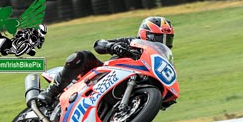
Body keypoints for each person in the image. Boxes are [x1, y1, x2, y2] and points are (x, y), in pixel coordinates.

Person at [38, 16, 175, 106]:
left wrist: (165, 97)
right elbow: (99, 44)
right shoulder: (131, 42)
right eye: (158, 38)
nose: (162, 43)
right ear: (146, 34)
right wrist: (113, 46)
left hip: (130, 85)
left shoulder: (161, 61)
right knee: (82, 55)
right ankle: (50, 92)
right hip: (105, 73)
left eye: (167, 39)